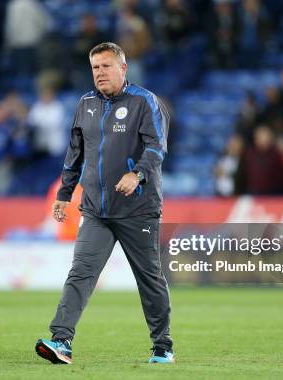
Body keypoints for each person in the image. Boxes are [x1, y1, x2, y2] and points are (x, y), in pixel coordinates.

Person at [35, 42, 174, 364]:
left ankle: (163, 346)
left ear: (123, 69)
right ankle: (61, 341)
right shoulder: (85, 104)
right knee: (80, 273)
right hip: (96, 209)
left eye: (106, 66)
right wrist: (63, 195)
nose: (100, 73)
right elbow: (75, 155)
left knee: (149, 278)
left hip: (137, 209)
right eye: (95, 67)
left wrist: (137, 175)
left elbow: (157, 148)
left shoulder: (144, 102)